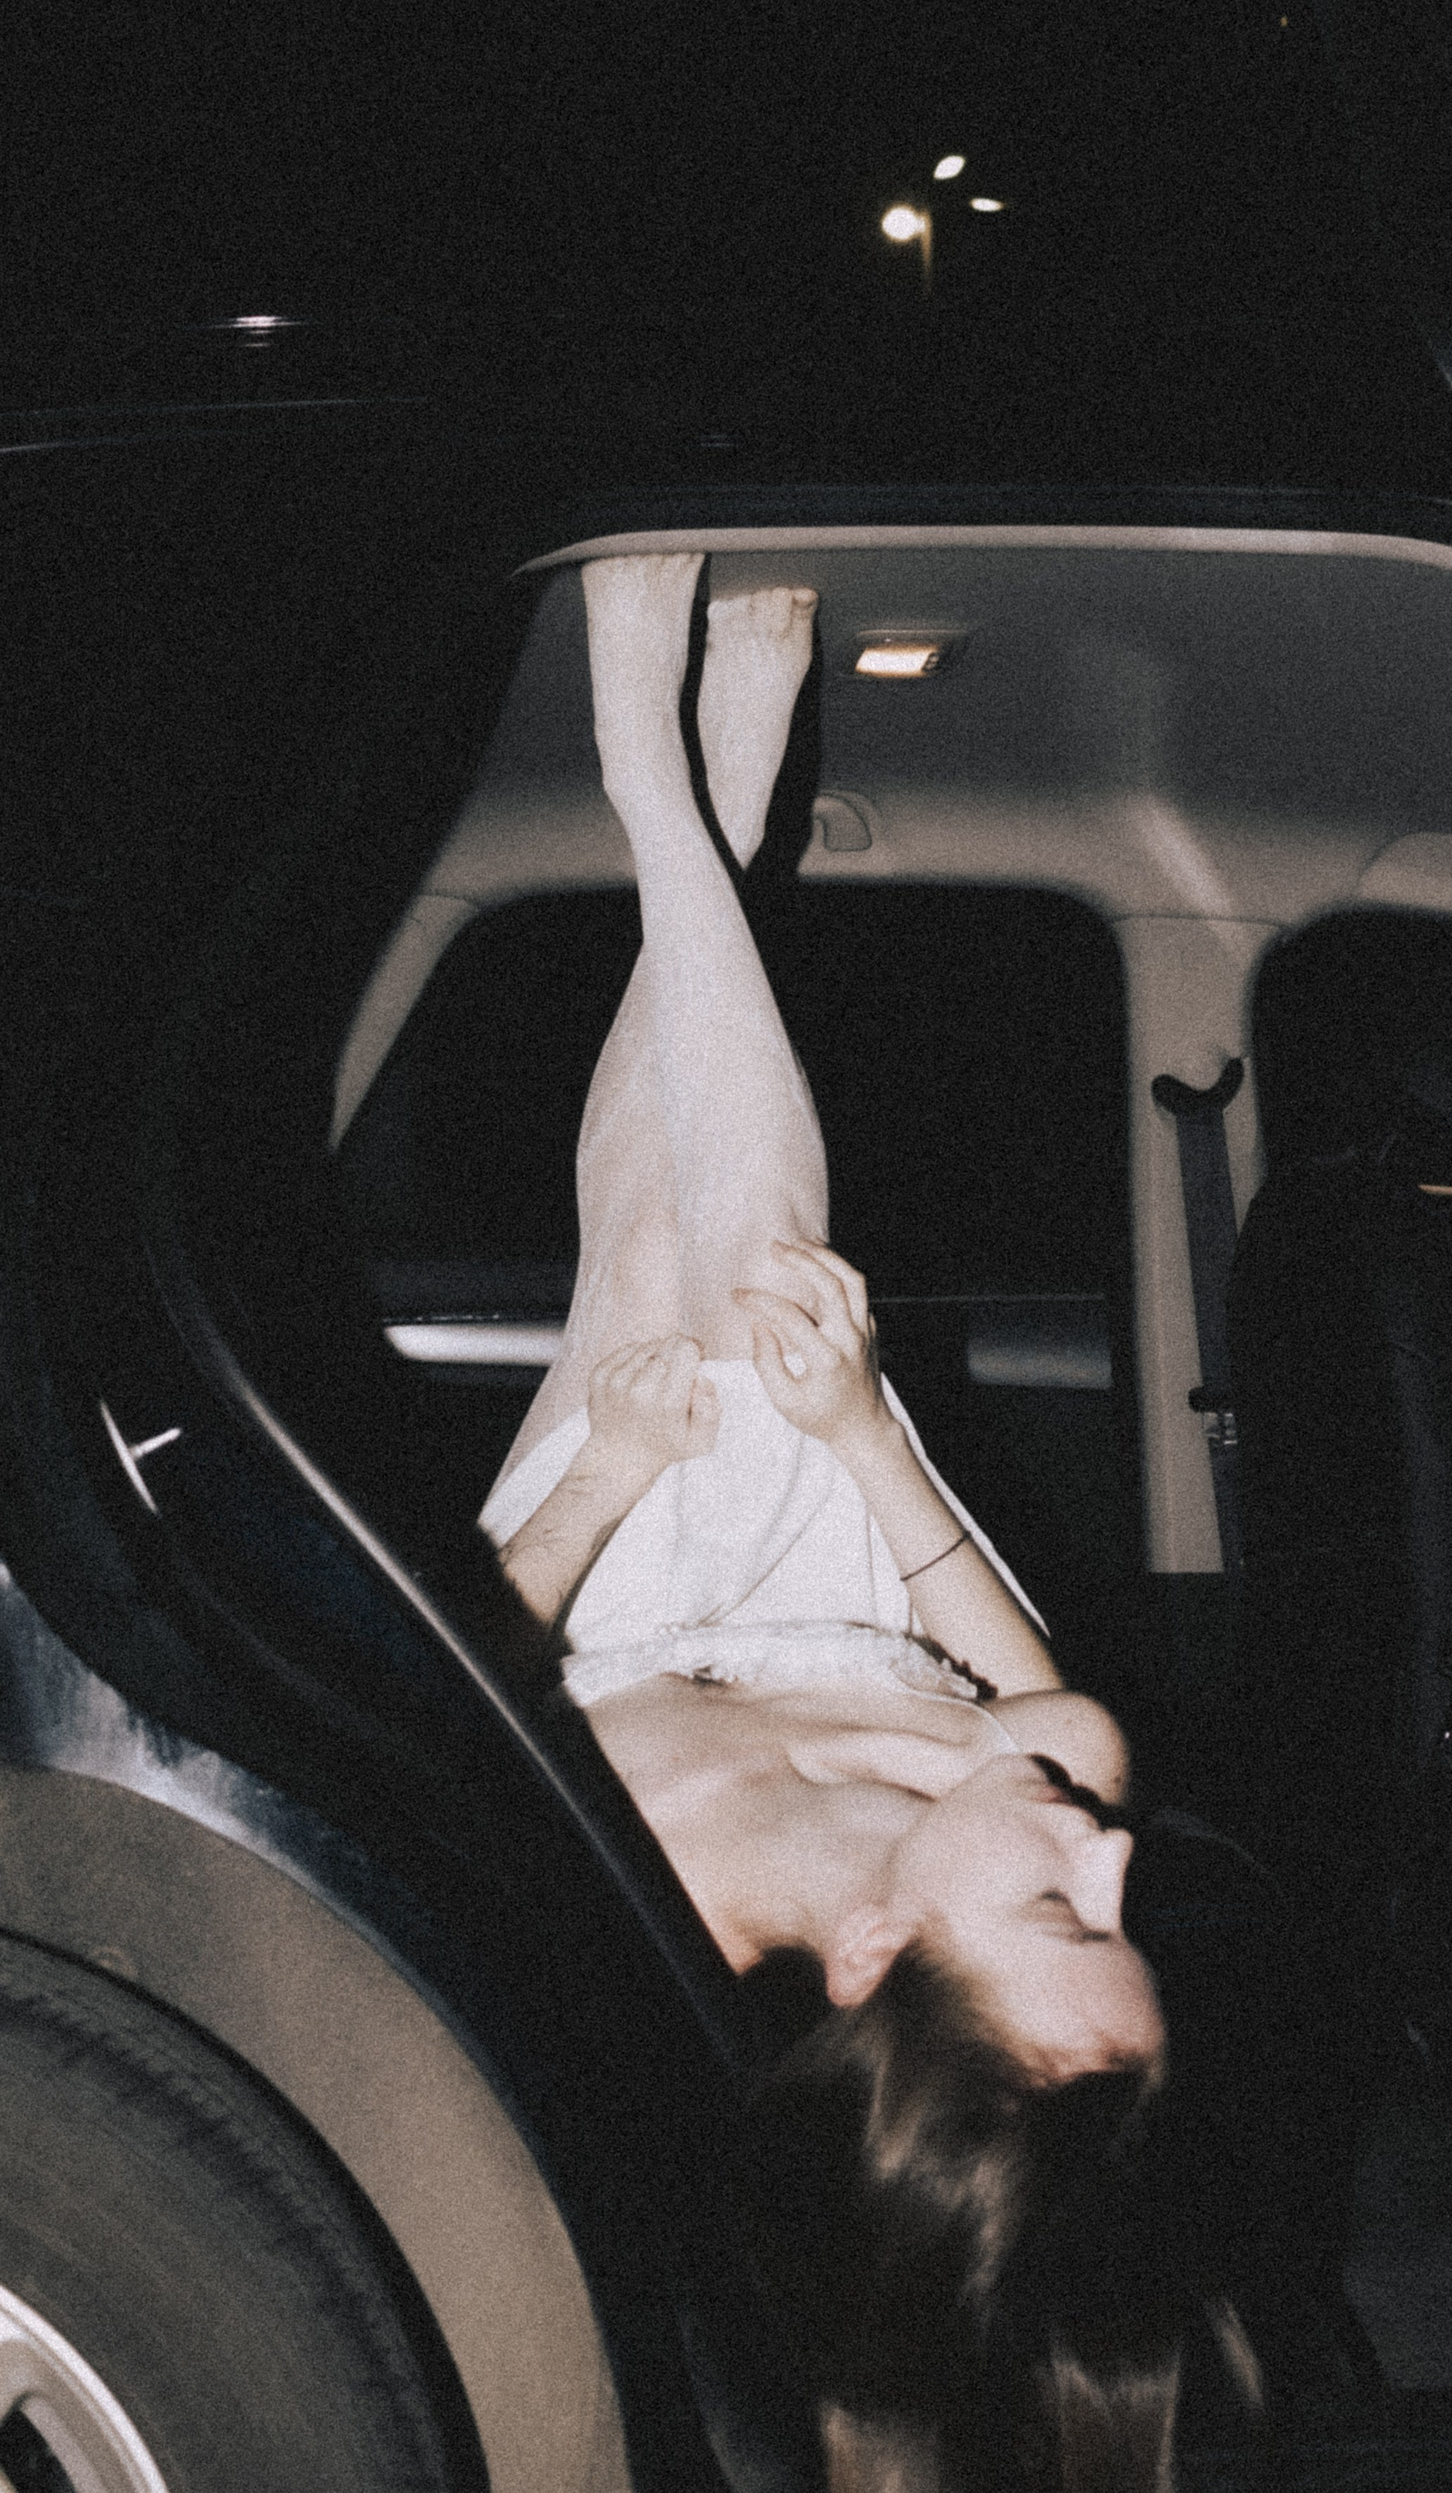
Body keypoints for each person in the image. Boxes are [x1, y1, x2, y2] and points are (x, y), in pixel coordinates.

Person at [477, 554, 1245, 2490]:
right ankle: (675, 791)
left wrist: (617, 1465)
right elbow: (1043, 1696)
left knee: (642, 1249)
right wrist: (857, 1431)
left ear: (876, 1942)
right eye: (1124, 1918)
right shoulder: (1037, 1782)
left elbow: (471, 1665)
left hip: (595, 1592)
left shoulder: (651, 1911)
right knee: (760, 1270)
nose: (1112, 1863)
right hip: (844, 1582)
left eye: (1064, 1913)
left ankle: (702, 798)